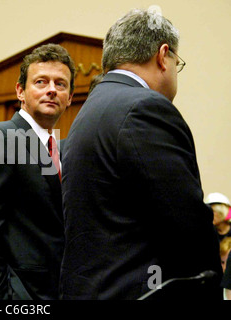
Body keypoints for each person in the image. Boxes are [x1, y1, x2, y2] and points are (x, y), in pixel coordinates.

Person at [60, 8, 222, 300]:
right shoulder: (144, 107)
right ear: (163, 55)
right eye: (177, 63)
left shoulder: (90, 109)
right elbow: (187, 224)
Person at [0, 43, 75, 299]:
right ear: (20, 91)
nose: (52, 90)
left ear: (70, 97)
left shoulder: (62, 150)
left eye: (60, 84)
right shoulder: (0, 137)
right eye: (41, 82)